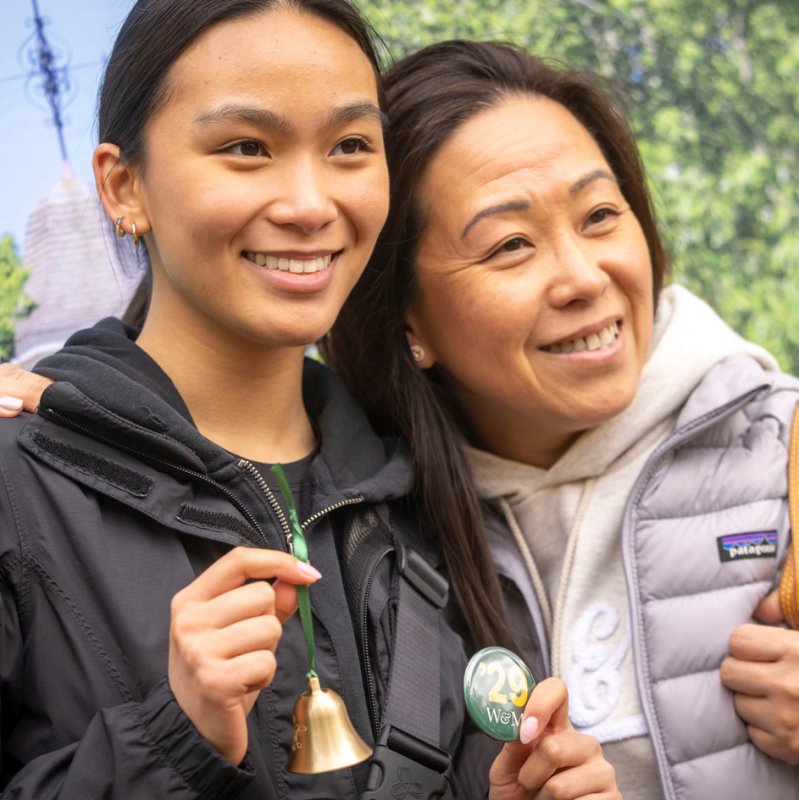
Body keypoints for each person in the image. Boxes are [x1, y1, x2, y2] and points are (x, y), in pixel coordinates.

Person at [0, 4, 621, 799]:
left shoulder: (419, 489)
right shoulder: (22, 484)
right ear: (125, 187)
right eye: (246, 148)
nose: (310, 202)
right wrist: (171, 740)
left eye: (350, 148)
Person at [320, 40, 799, 800]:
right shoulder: (374, 538)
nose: (582, 277)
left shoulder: (783, 452)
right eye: (511, 245)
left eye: (600, 215)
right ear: (408, 320)